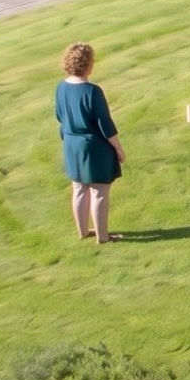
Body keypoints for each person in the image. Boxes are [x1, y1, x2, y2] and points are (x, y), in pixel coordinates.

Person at [53, 42, 123, 245]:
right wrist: (118, 148)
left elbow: (59, 115)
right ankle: (102, 236)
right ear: (87, 64)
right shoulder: (92, 91)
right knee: (99, 191)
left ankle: (83, 231)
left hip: (71, 143)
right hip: (93, 147)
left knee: (79, 188)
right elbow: (105, 124)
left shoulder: (61, 87)